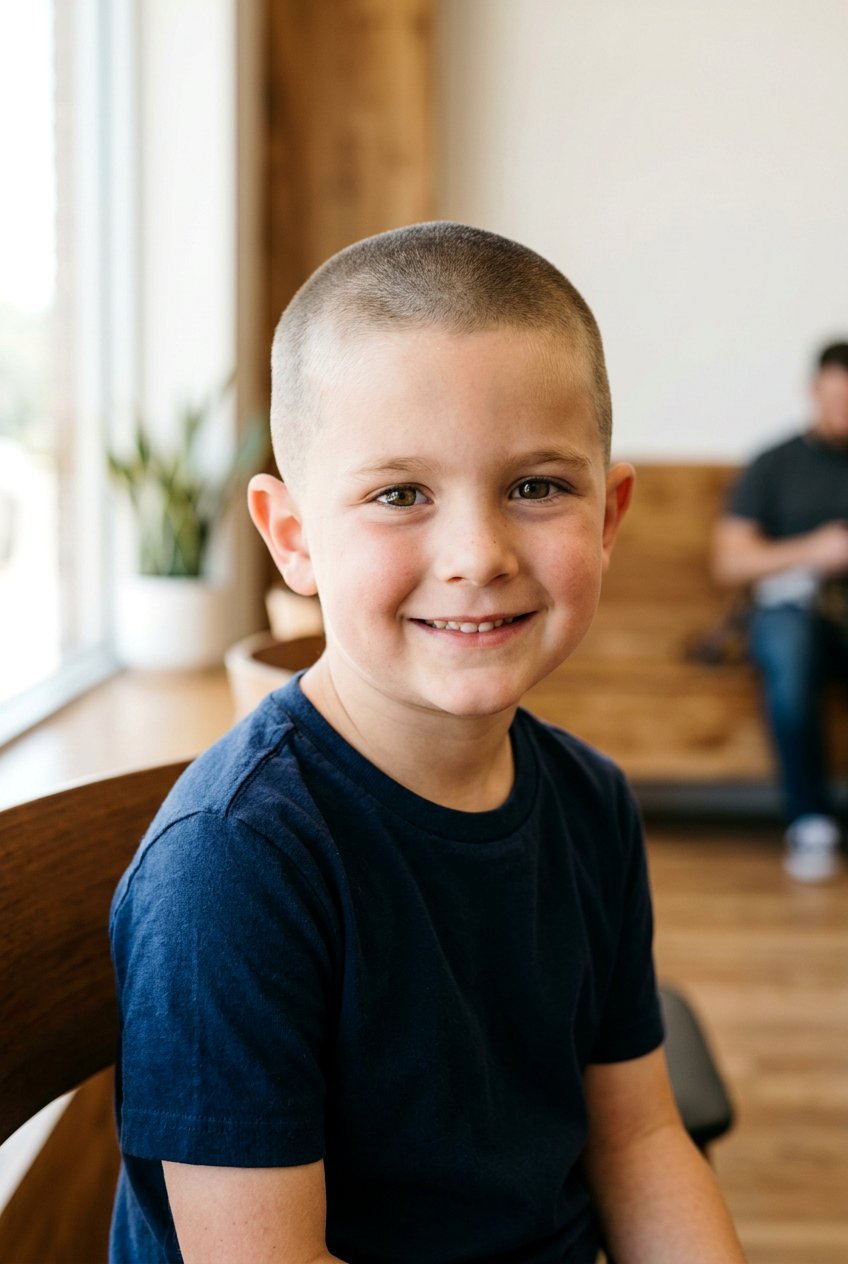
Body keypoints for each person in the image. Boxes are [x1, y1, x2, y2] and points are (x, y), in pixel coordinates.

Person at [110, 223, 745, 1263]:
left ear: (607, 515)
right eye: (399, 494)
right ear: (294, 537)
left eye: (536, 485)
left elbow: (636, 1137)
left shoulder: (588, 800)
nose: (475, 555)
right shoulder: (232, 866)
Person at [713, 342, 848, 883]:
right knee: (786, 644)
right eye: (836, 397)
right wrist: (817, 550)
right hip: (794, 615)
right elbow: (730, 562)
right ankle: (808, 818)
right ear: (815, 392)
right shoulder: (775, 463)